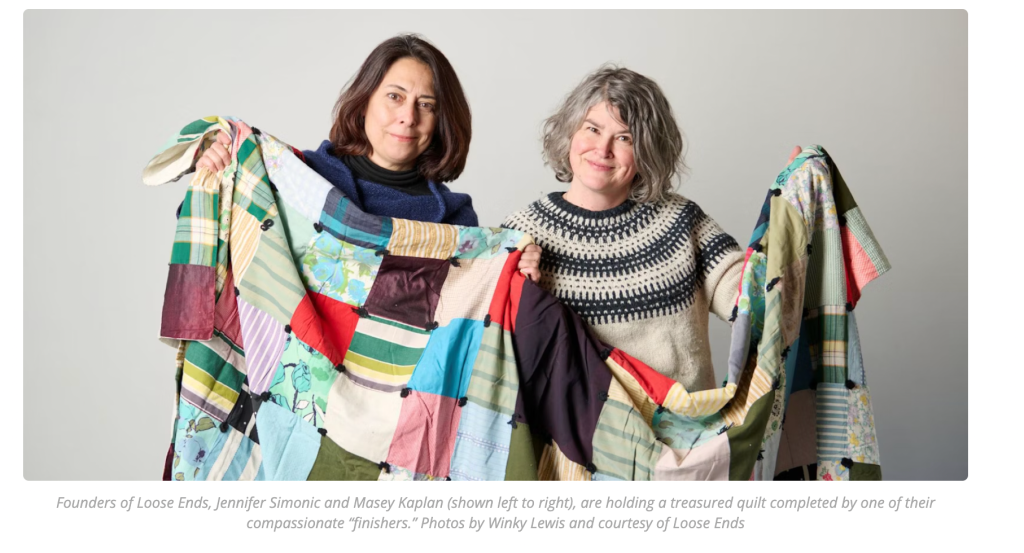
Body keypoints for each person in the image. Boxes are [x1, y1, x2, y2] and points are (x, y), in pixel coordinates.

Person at [503, 65, 798, 392]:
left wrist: (788, 215)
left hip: (684, 434)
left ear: (647, 150)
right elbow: (496, 355)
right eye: (592, 129)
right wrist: (517, 295)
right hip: (577, 440)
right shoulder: (521, 235)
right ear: (570, 131)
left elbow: (756, 303)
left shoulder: (681, 220)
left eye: (624, 137)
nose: (603, 150)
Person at [195, 34, 542, 274]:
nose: (408, 116)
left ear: (441, 122)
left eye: (427, 105)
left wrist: (515, 264)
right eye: (395, 96)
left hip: (385, 378)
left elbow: (468, 311)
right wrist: (217, 174)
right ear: (365, 102)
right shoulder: (302, 178)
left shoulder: (453, 219)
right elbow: (224, 230)